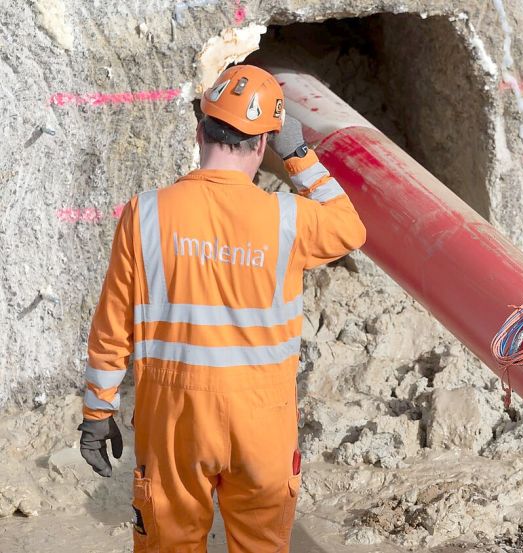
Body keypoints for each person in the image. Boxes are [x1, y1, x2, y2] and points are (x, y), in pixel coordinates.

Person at [76, 64, 366, 552]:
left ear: (199, 131)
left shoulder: (145, 213)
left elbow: (112, 327)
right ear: (261, 145)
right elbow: (350, 227)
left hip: (174, 418)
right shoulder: (288, 220)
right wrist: (297, 154)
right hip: (262, 419)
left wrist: (96, 412)